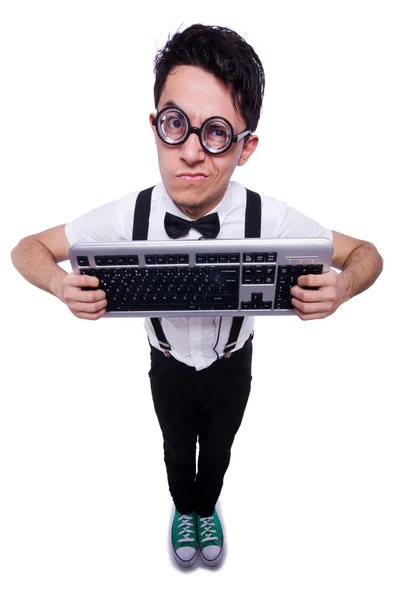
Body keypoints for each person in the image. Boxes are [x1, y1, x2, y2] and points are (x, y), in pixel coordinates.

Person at [11, 24, 383, 569]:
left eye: (214, 133)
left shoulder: (269, 218)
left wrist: (344, 287)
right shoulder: (127, 215)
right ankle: (183, 507)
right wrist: (58, 283)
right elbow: (27, 248)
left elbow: (366, 252)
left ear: (245, 146)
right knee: (174, 446)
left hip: (234, 364)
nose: (189, 152)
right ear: (155, 126)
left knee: (220, 448)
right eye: (175, 124)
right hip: (166, 364)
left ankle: (206, 505)